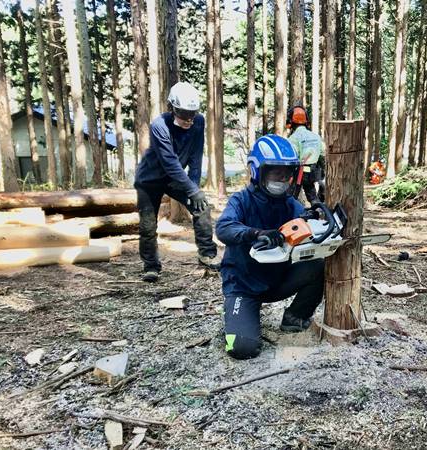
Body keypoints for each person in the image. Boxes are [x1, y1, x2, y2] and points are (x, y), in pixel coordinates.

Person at [216, 135, 325, 360]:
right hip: (242, 286)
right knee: (241, 348)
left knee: (319, 264)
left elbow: (307, 225)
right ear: (258, 171)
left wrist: (316, 220)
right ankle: (237, 318)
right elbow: (224, 228)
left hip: (277, 281)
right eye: (276, 171)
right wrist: (255, 233)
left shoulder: (290, 204)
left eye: (287, 173)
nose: (283, 178)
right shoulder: (241, 200)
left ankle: (295, 316)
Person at [134, 82, 220, 282]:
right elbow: (170, 163)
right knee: (148, 225)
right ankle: (151, 266)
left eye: (191, 114)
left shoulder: (198, 122)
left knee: (202, 207)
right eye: (183, 114)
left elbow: (196, 158)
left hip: (175, 179)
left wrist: (195, 189)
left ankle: (206, 255)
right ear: (172, 108)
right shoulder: (159, 126)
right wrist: (192, 189)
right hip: (149, 180)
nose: (188, 120)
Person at [286, 106, 325, 204]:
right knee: (312, 196)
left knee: (290, 197)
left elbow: (291, 158)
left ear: (291, 122)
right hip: (313, 172)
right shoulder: (316, 137)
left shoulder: (293, 138)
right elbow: (323, 153)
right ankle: (318, 213)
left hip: (299, 173)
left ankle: (290, 215)